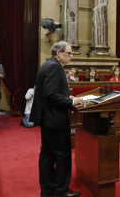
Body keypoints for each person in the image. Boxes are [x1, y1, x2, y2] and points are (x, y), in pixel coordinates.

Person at [29, 41, 82, 197]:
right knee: (62, 155)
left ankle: (47, 189)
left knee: (47, 154)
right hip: (54, 119)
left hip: (48, 118)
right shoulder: (54, 66)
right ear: (58, 52)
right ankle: (61, 190)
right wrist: (70, 101)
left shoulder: (49, 64)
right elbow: (50, 94)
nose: (71, 56)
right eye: (69, 53)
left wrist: (67, 96)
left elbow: (50, 91)